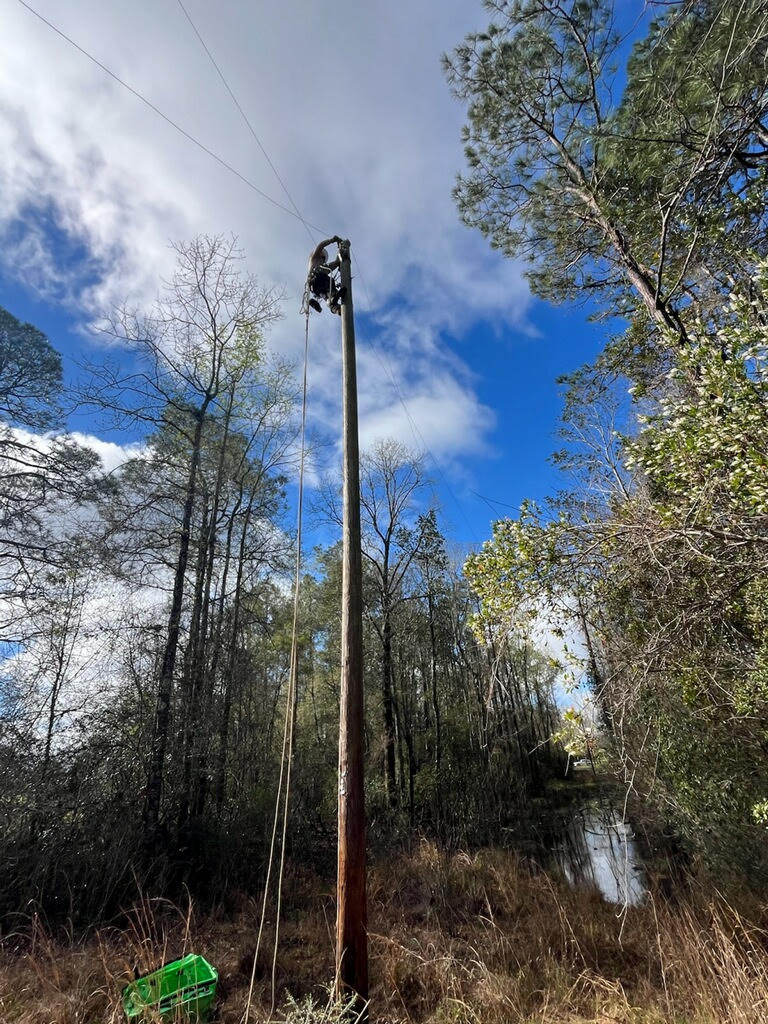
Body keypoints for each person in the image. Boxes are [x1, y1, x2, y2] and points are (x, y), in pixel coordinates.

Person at [306, 238, 346, 314]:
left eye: (324, 259)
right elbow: (321, 245)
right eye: (323, 257)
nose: (323, 260)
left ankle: (335, 308)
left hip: (318, 289)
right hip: (315, 280)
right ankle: (332, 299)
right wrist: (333, 239)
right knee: (328, 281)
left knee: (327, 289)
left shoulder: (324, 268)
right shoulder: (314, 259)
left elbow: (336, 262)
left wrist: (340, 250)